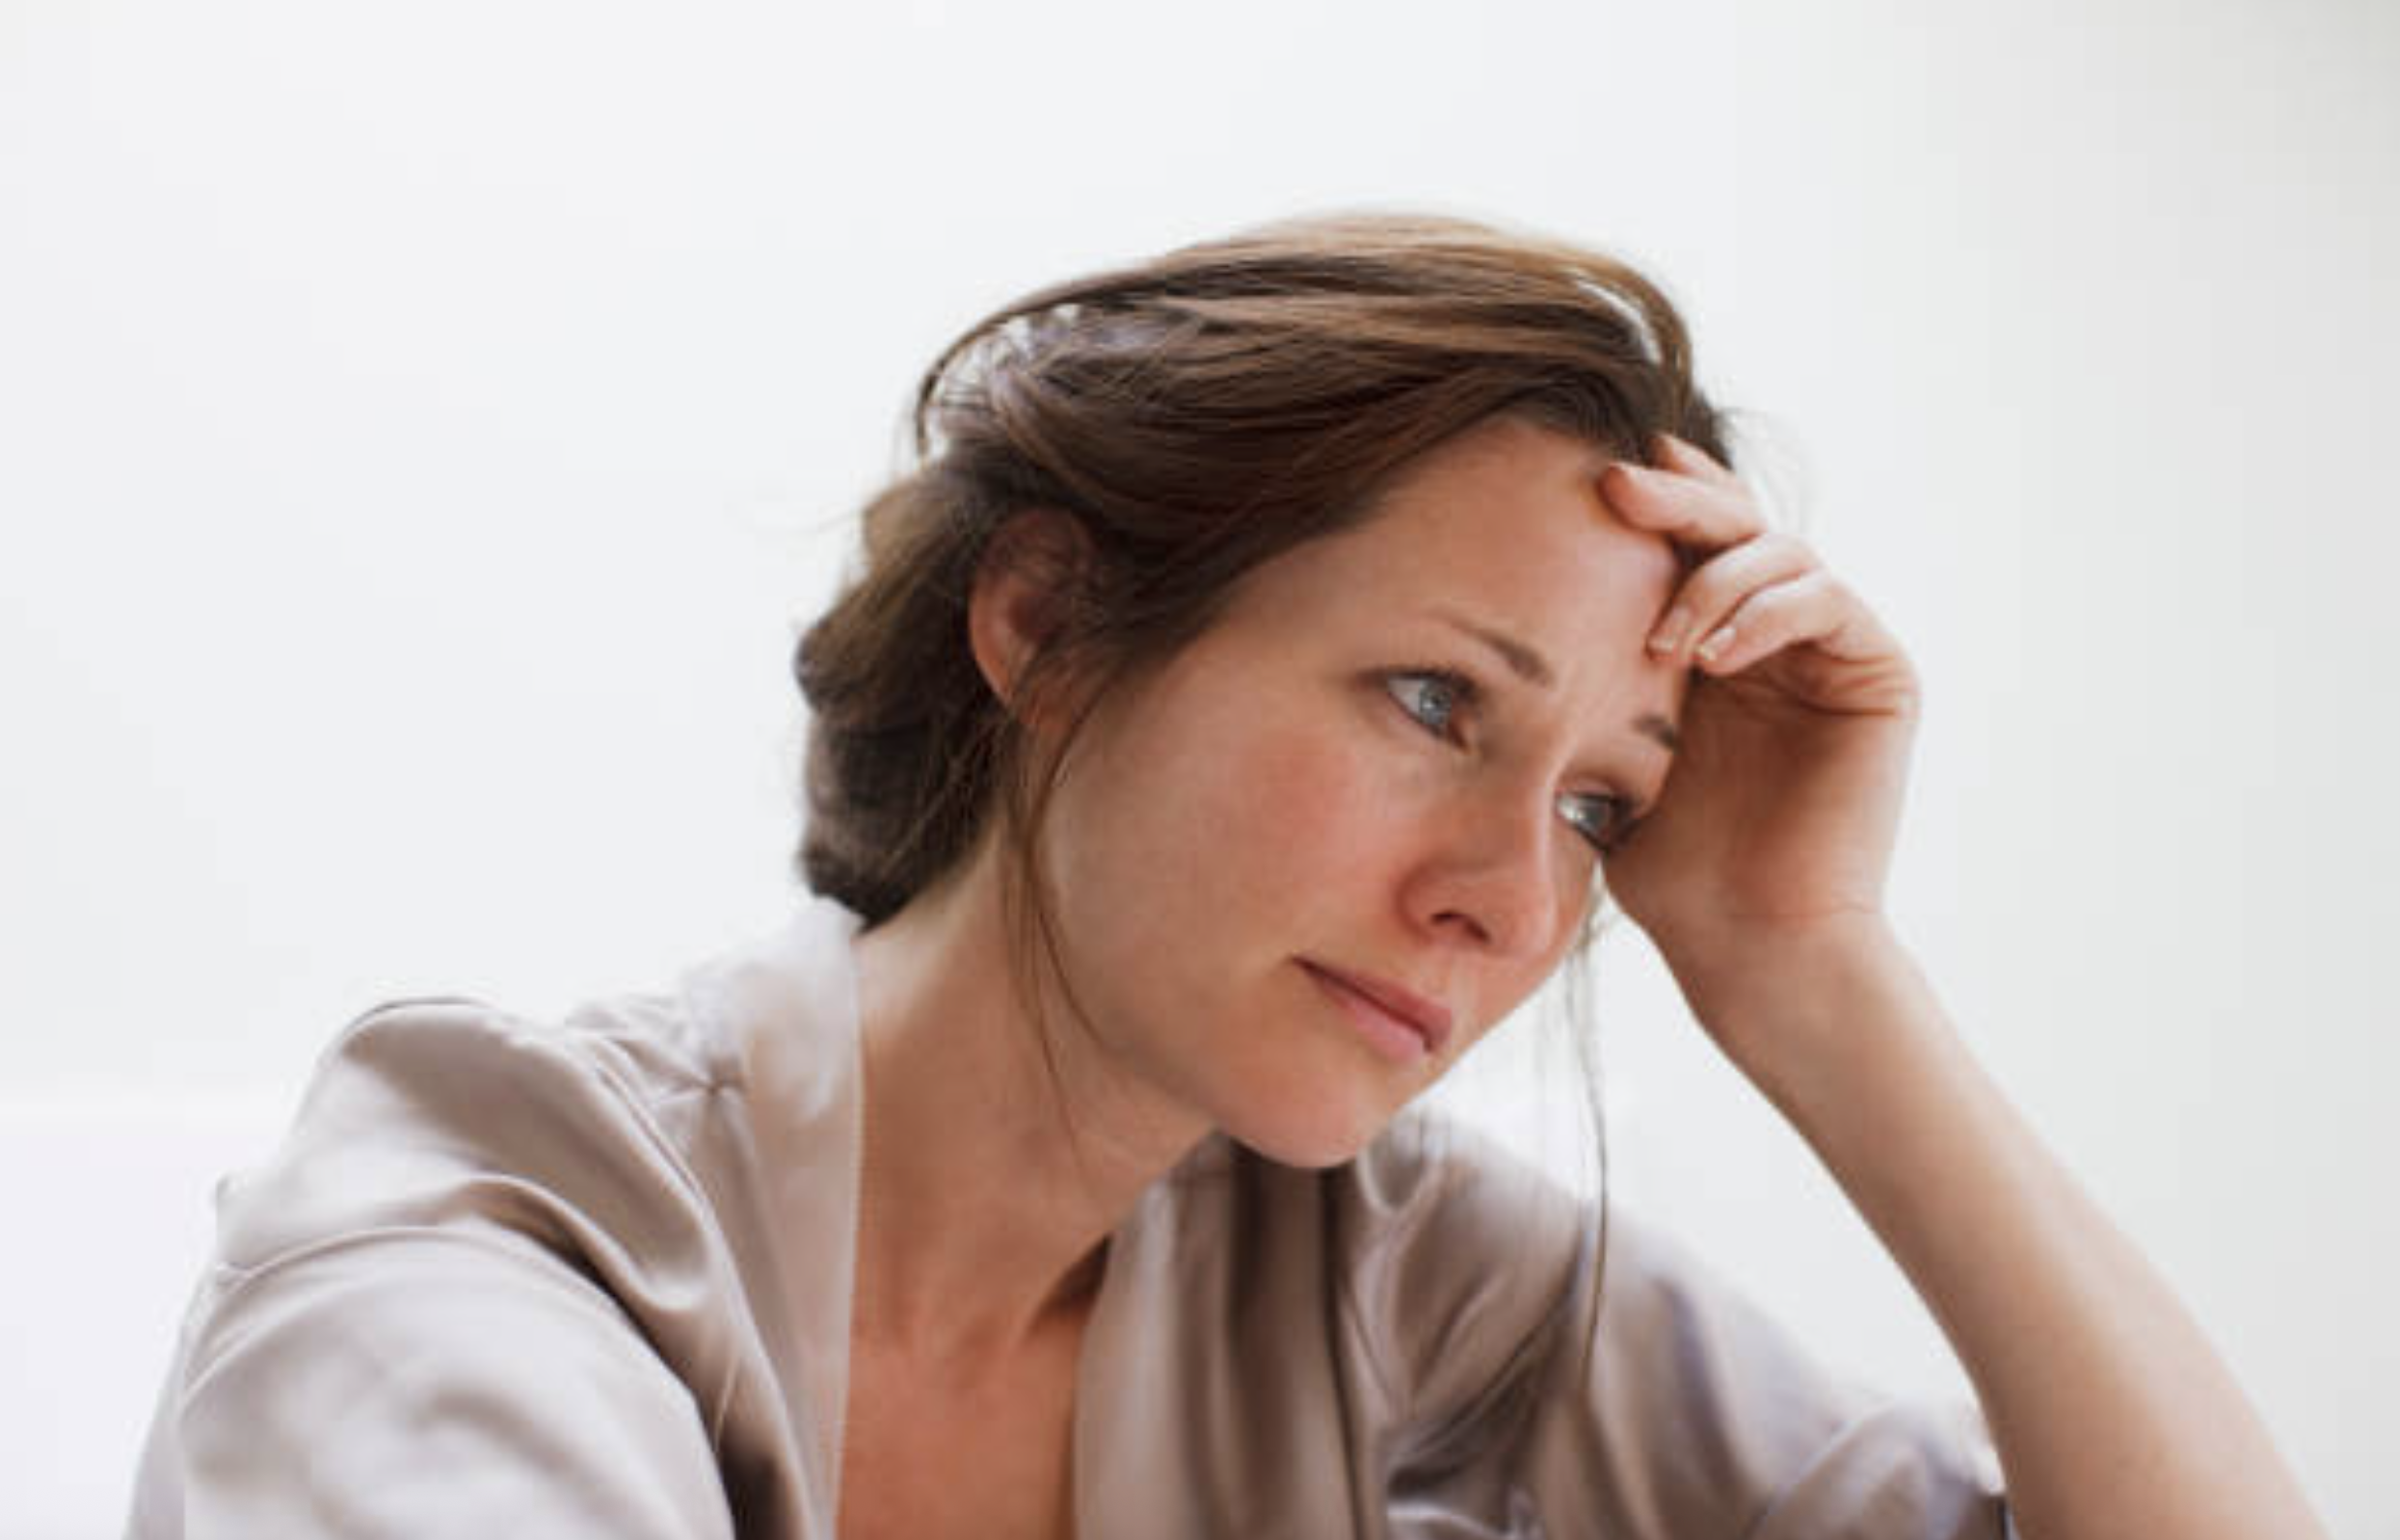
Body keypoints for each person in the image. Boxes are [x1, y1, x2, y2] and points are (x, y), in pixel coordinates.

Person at [127, 213, 2325, 1539]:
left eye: (1598, 806)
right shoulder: (487, 1208)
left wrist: (1811, 967)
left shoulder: (1390, 1269)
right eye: (1439, 703)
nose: (1512, 901)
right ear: (1048, 624)